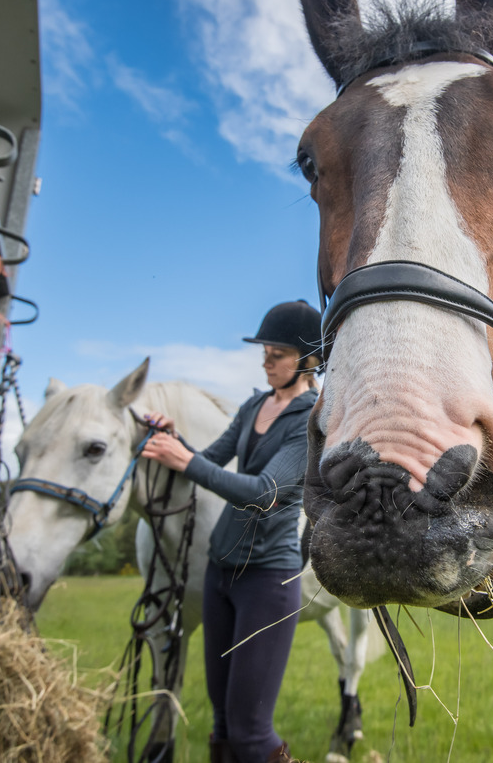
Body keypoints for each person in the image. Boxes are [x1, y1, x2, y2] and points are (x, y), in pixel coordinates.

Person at [143, 300, 323, 763]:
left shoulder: (311, 421)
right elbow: (212, 458)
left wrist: (185, 462)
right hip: (219, 574)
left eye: (276, 353)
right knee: (222, 722)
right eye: (264, 350)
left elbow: (263, 492)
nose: (265, 360)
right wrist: (174, 440)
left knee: (250, 732)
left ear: (308, 360)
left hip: (267, 580)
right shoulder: (254, 405)